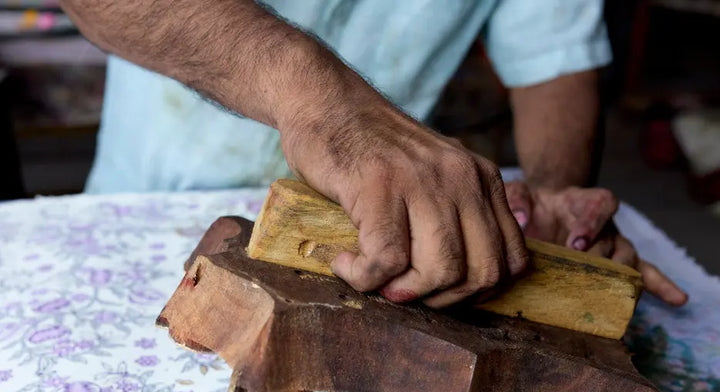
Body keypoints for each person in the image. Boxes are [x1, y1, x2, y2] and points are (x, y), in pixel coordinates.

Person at [60, 0, 687, 307]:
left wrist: (550, 201)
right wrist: (325, 103)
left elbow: (556, 58)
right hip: (150, 210)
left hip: (381, 229)